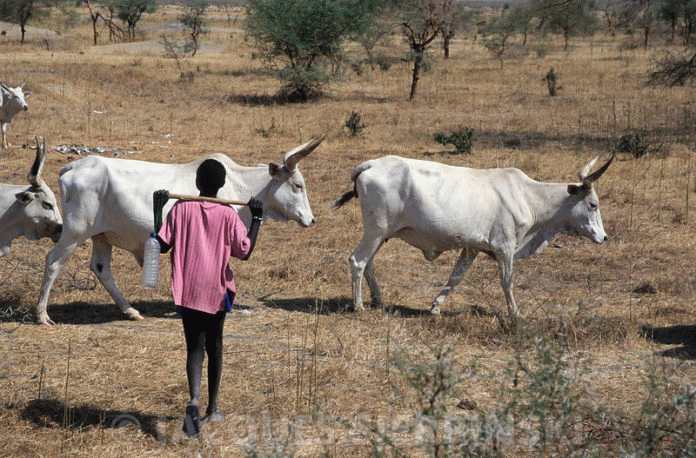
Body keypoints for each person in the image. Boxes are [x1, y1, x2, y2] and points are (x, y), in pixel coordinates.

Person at [154, 158, 263, 438]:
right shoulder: (228, 215)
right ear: (222, 184)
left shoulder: (180, 208)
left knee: (194, 347)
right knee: (215, 347)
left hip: (188, 290)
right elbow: (245, 251)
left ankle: (194, 399)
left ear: (198, 183)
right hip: (216, 291)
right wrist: (257, 219)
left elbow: (161, 244)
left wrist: (158, 207)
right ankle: (212, 410)